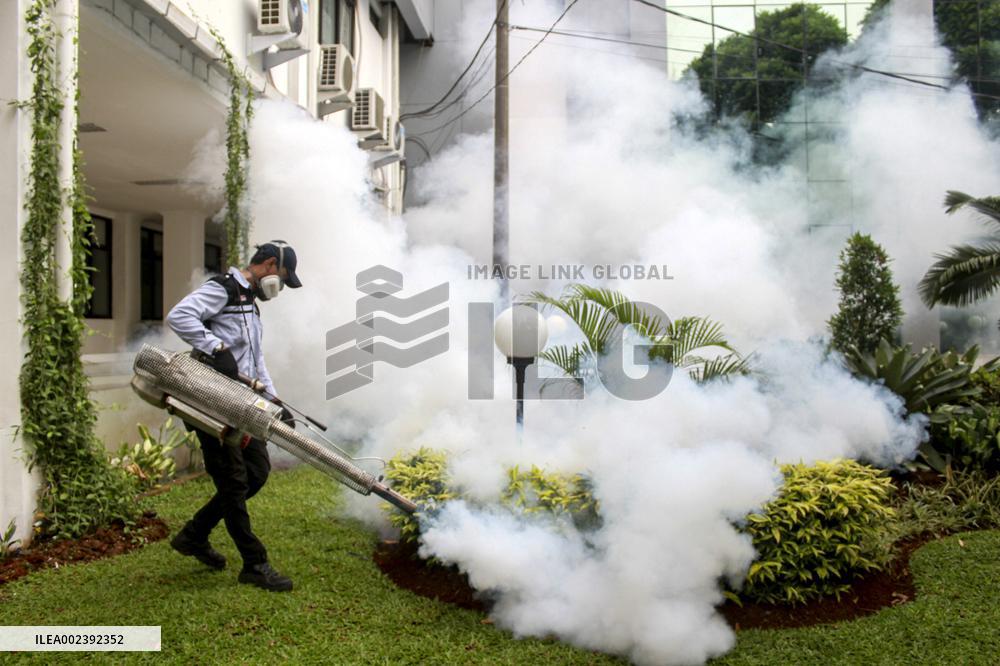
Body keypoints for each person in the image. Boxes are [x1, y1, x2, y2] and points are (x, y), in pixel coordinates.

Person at [165, 240, 302, 592]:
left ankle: (194, 535)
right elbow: (179, 316)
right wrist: (215, 347)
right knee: (234, 481)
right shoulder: (223, 289)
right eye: (284, 279)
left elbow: (255, 363)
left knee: (257, 472)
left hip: (243, 403)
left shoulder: (251, 306)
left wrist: (275, 401)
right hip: (211, 403)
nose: (281, 288)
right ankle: (255, 563)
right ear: (270, 265)